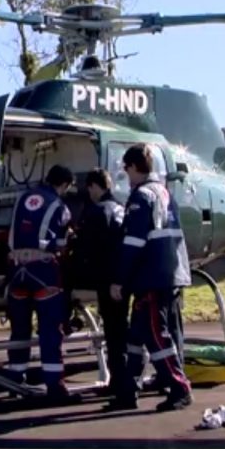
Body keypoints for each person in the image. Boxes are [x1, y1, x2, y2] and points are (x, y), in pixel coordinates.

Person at [106, 144, 193, 412]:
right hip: (169, 273)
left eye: (126, 169)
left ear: (133, 167)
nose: (126, 174)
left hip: (152, 278)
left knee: (156, 336)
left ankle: (179, 388)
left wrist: (119, 279)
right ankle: (128, 390)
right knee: (137, 336)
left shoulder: (141, 197)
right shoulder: (164, 192)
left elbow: (133, 243)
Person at [3, 164, 77, 402]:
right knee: (49, 330)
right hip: (43, 271)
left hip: (16, 270)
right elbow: (63, 245)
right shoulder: (60, 207)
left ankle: (15, 378)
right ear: (64, 184)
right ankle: (55, 385)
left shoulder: (23, 197)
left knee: (19, 329)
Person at [70, 168, 131, 394]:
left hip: (105, 279)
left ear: (95, 186)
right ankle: (125, 379)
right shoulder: (122, 209)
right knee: (121, 329)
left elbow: (84, 248)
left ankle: (120, 384)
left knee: (113, 332)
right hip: (123, 277)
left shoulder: (96, 212)